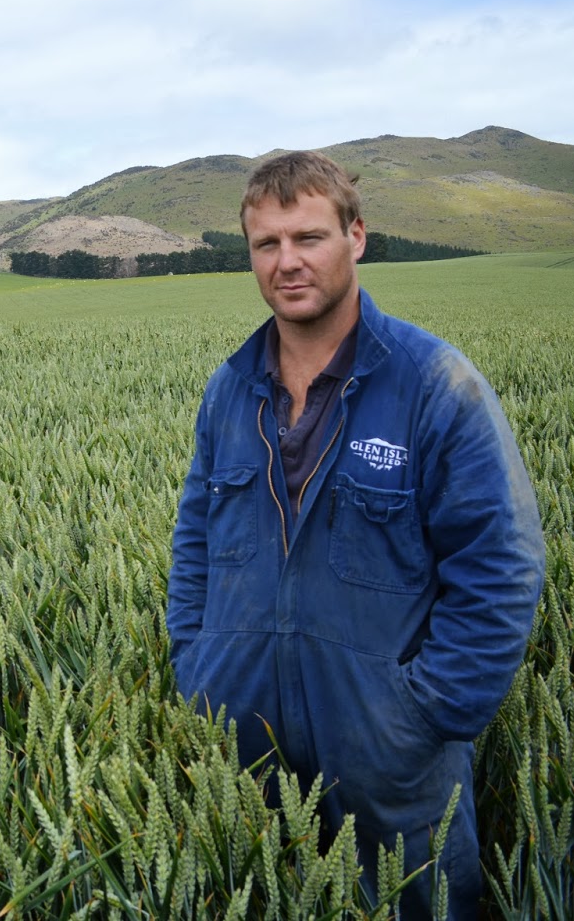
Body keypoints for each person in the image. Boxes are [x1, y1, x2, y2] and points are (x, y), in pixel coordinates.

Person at [167, 151, 545, 918]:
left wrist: (421, 719)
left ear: (357, 236)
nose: (287, 261)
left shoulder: (435, 385)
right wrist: (197, 670)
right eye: (267, 244)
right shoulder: (229, 391)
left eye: (308, 237)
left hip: (393, 770)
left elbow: (500, 568)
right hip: (245, 757)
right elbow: (195, 546)